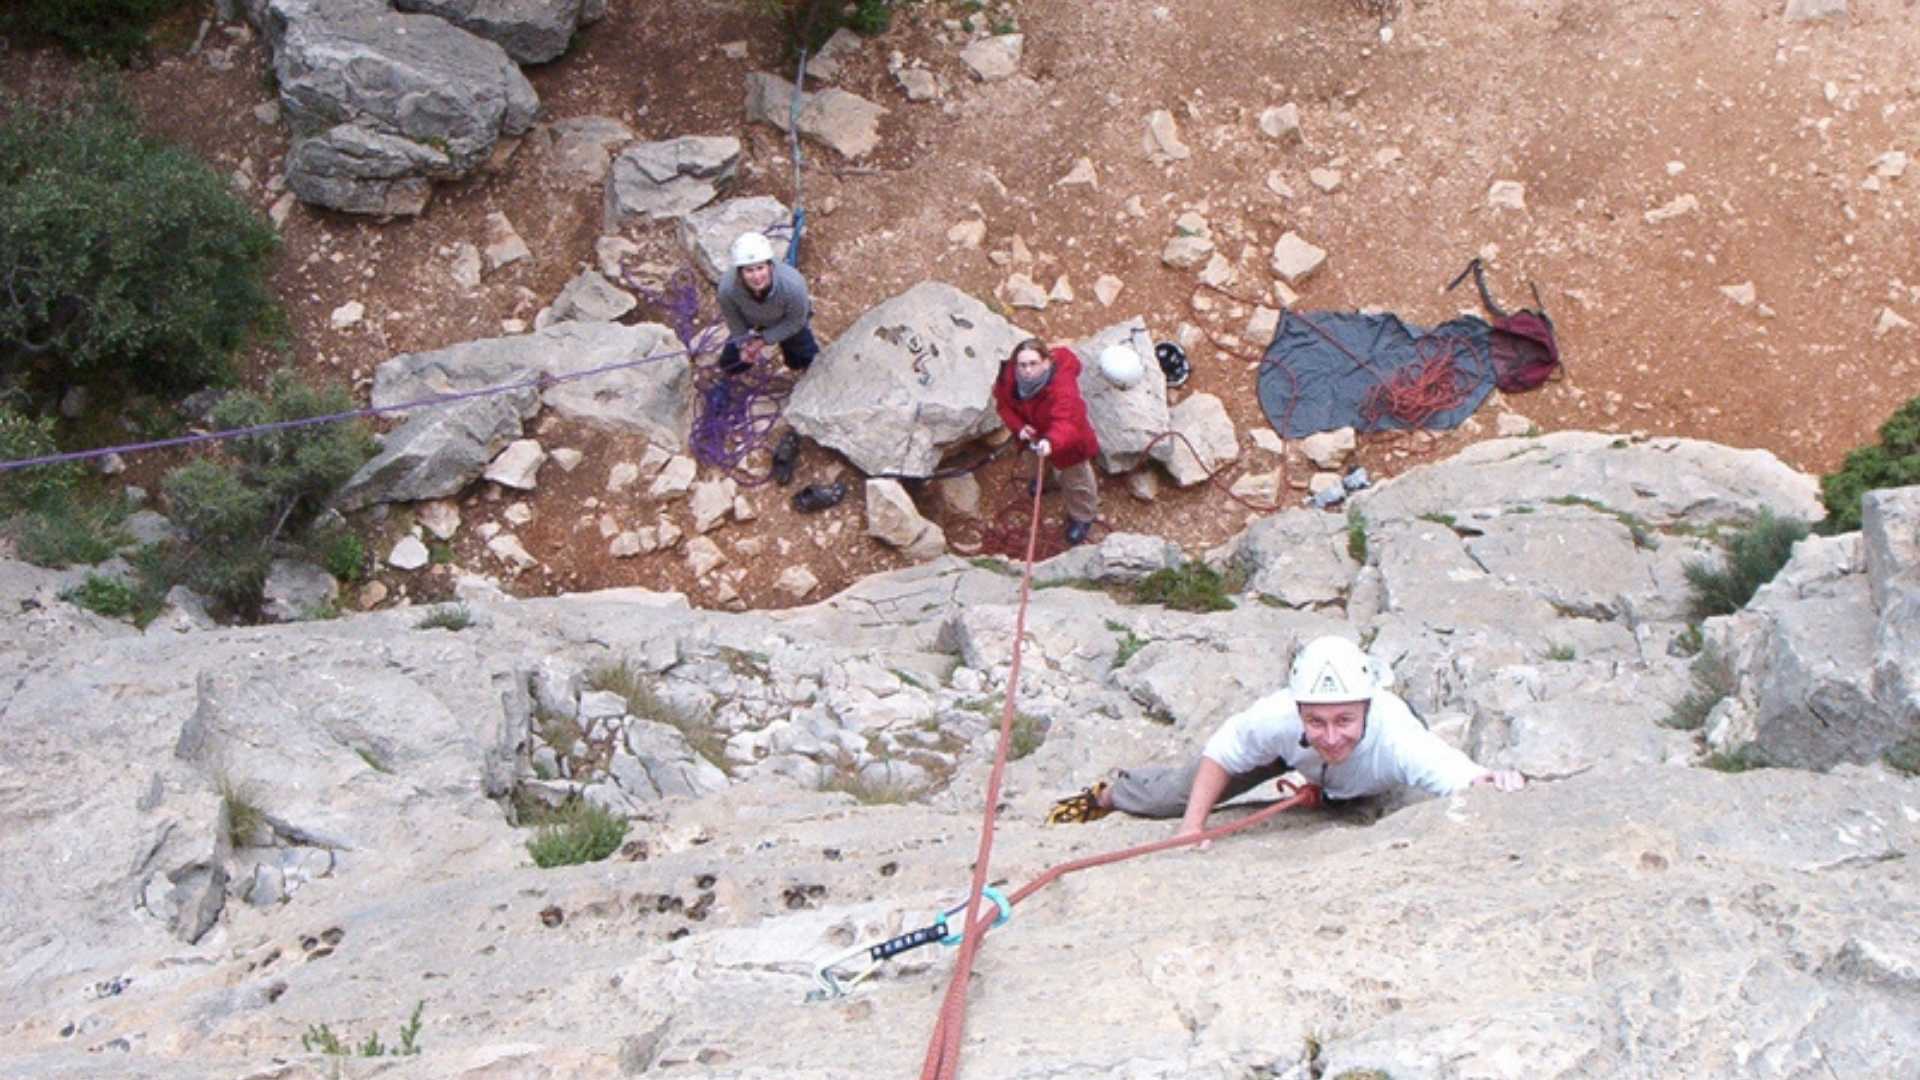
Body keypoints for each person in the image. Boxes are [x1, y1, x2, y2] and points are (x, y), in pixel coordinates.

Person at [1046, 636, 1525, 830]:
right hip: (1290, 757)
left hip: (1345, 777)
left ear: (1367, 707)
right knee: (1171, 796)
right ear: (1298, 709)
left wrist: (1489, 781)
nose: (1331, 733)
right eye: (1316, 720)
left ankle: (1324, 786)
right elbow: (1222, 754)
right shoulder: (1278, 717)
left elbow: (1449, 771)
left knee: (1347, 798)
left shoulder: (1397, 737)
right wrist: (1193, 826)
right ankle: (1108, 795)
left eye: (1344, 720)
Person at [992, 337, 1102, 546]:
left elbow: (1068, 420)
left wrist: (1051, 441)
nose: (1027, 371)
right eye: (1022, 365)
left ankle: (1082, 516)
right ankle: (1045, 481)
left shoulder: (1063, 386)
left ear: (1046, 362)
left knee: (1076, 480)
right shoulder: (1009, 379)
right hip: (1032, 435)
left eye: (1033, 364)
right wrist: (1019, 427)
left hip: (1068, 442)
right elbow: (1003, 406)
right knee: (1034, 464)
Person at [716, 231, 818, 378]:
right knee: (732, 360)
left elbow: (795, 321)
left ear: (770, 266)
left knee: (802, 357)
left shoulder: (792, 286)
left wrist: (762, 340)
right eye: (749, 270)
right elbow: (734, 318)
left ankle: (808, 375)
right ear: (739, 272)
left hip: (785, 320)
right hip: (750, 318)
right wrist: (744, 343)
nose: (756, 277)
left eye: (760, 268)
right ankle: (728, 375)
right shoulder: (727, 288)